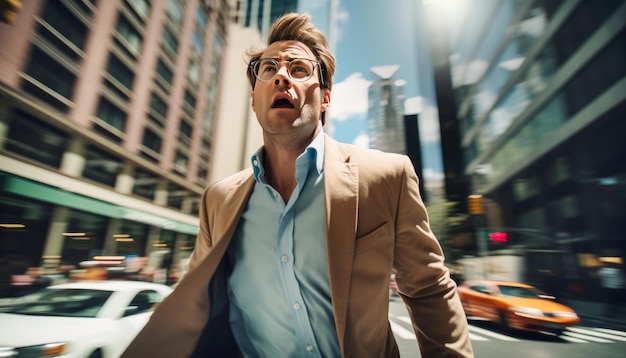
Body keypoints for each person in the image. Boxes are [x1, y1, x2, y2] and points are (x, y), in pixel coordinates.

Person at [121, 13, 473, 358]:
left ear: (326, 98)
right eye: (269, 68)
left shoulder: (387, 178)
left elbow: (428, 290)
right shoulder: (218, 200)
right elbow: (197, 309)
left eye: (299, 68)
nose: (281, 77)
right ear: (254, 100)